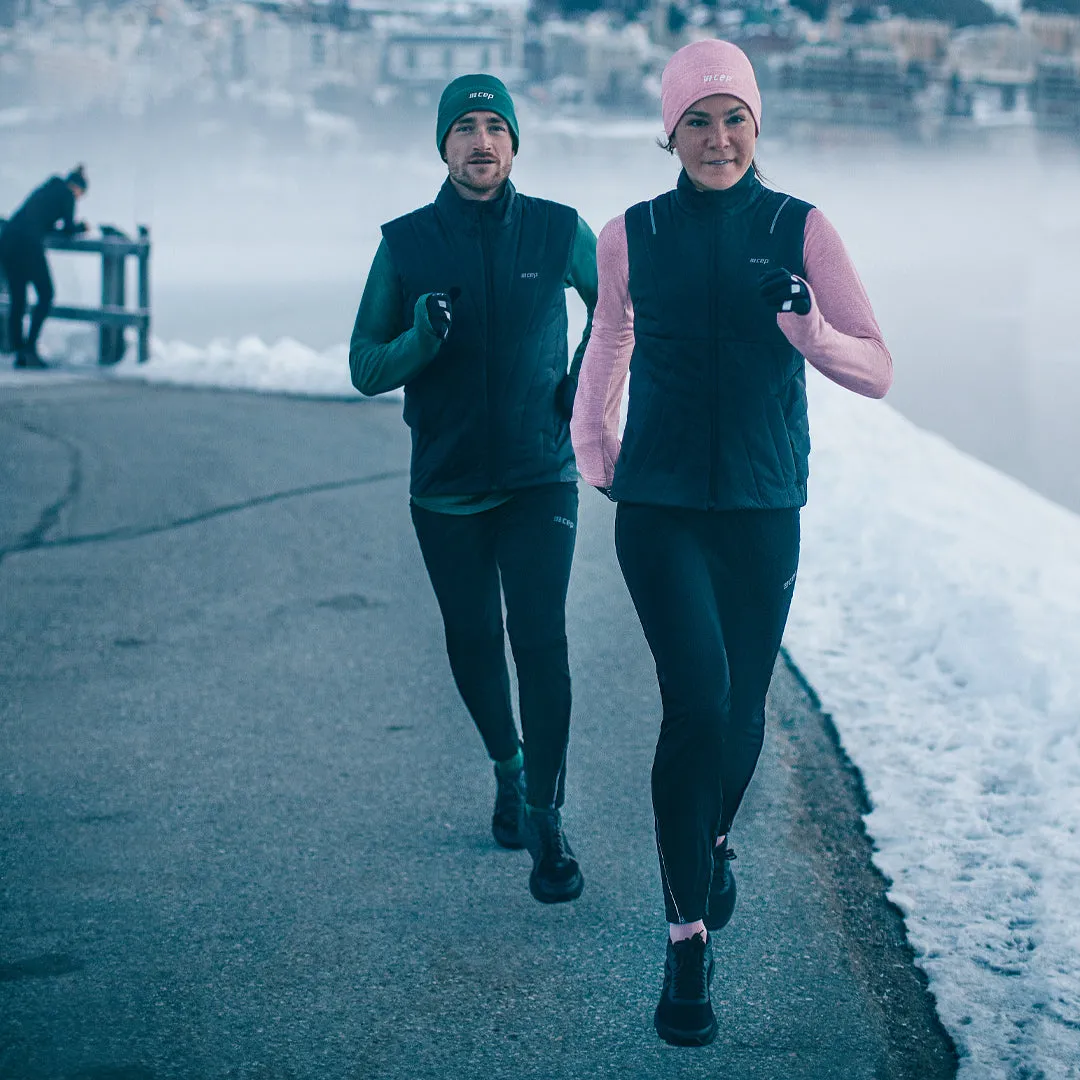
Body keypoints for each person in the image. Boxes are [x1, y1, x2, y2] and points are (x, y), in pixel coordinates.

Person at [570, 40, 893, 1046]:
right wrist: (595, 439)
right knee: (695, 706)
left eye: (734, 117)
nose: (718, 137)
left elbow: (876, 366)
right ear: (669, 130)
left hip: (761, 506)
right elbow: (611, 336)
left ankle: (713, 840)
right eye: (698, 119)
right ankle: (686, 945)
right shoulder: (633, 233)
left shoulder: (801, 229)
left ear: (758, 126)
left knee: (743, 712)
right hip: (660, 505)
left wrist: (812, 337)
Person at [349, 74, 598, 905]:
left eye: (496, 126)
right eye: (465, 128)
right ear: (443, 145)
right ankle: (508, 765)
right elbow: (364, 367)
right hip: (447, 484)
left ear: (515, 143)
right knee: (472, 640)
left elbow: (619, 311)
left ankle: (547, 818)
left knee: (540, 638)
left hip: (540, 476)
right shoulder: (406, 243)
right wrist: (420, 336)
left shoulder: (559, 230)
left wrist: (581, 383)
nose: (482, 141)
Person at [0, 165, 89, 369]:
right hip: (28, 246)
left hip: (7, 241)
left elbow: (39, 219)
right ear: (78, 188)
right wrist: (81, 227)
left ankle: (19, 349)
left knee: (18, 299)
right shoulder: (67, 195)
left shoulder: (46, 189)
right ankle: (30, 348)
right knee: (46, 294)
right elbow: (68, 229)